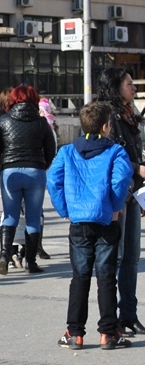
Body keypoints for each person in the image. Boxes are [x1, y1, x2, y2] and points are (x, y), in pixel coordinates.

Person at [47, 101, 133, 350]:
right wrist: (115, 207)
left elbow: (53, 180)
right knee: (106, 277)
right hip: (106, 219)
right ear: (106, 127)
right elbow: (121, 179)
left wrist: (65, 209)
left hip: (79, 221)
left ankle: (75, 333)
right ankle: (108, 333)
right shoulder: (115, 152)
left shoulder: (67, 151)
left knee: (80, 277)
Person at [97, 67, 145, 337]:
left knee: (131, 257)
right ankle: (111, 318)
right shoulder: (108, 115)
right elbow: (110, 154)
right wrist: (137, 168)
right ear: (115, 87)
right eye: (129, 84)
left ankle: (129, 314)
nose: (134, 88)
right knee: (116, 257)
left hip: (134, 193)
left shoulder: (130, 112)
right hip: (117, 194)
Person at [0, 85, 56, 275]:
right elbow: (51, 150)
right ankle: (31, 262)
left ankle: (4, 255)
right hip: (35, 170)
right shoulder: (42, 123)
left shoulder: (3, 121)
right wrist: (42, 165)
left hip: (10, 171)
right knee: (33, 218)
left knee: (10, 216)